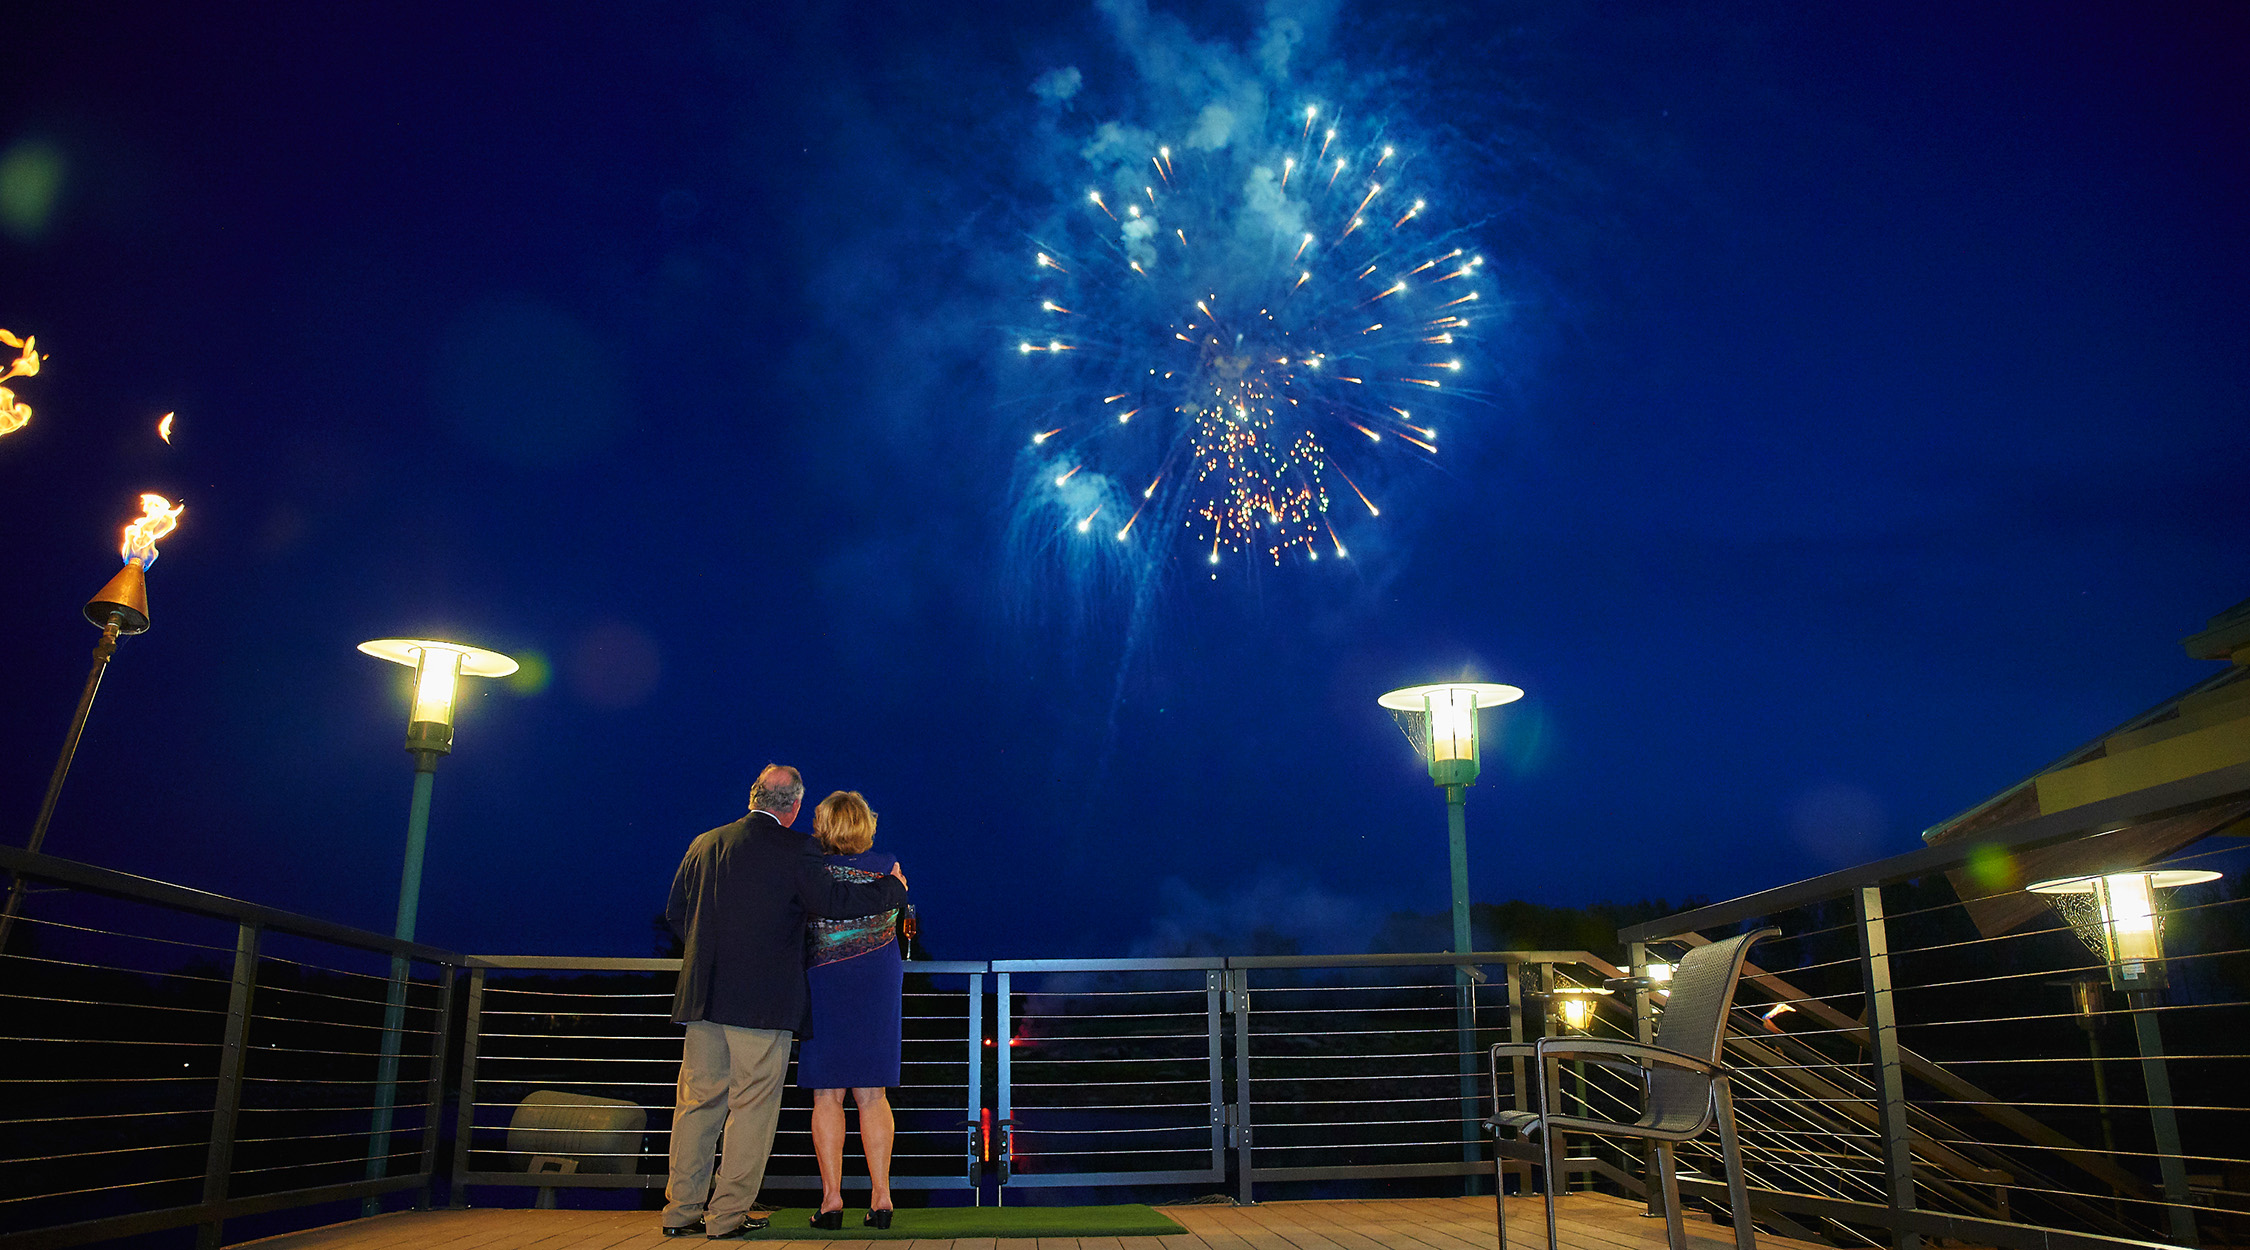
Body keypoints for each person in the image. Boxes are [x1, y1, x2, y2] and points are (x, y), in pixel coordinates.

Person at [660, 764, 908, 1240]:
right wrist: (893, 889)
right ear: (794, 807)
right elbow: (835, 901)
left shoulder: (704, 843)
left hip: (702, 996)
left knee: (697, 1103)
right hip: (761, 1001)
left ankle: (680, 1211)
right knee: (751, 1105)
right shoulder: (799, 851)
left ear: (753, 796)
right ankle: (727, 1217)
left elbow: (676, 915)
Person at [796, 791, 904, 1230]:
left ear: (824, 826)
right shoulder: (889, 868)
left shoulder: (810, 870)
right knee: (873, 1093)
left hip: (824, 981)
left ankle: (832, 1200)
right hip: (877, 978)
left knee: (827, 1093)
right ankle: (881, 1199)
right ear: (865, 824)